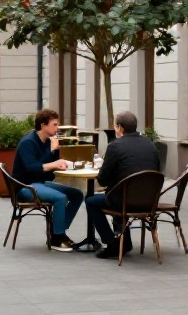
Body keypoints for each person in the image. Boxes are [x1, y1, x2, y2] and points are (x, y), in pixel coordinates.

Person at [87, 111, 160, 258]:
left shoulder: (115, 146)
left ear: (120, 128)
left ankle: (112, 243)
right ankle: (124, 242)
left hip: (123, 201)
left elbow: (102, 180)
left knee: (91, 201)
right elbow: (156, 171)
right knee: (120, 193)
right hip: (149, 202)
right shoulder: (150, 144)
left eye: (115, 126)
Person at [12, 109, 85, 252]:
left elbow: (49, 170)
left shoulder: (47, 141)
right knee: (60, 198)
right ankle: (57, 237)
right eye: (54, 125)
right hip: (25, 186)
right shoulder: (28, 142)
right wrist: (51, 155)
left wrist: (57, 158)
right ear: (43, 125)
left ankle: (57, 230)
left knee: (77, 195)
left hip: (40, 183)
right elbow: (32, 168)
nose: (57, 128)